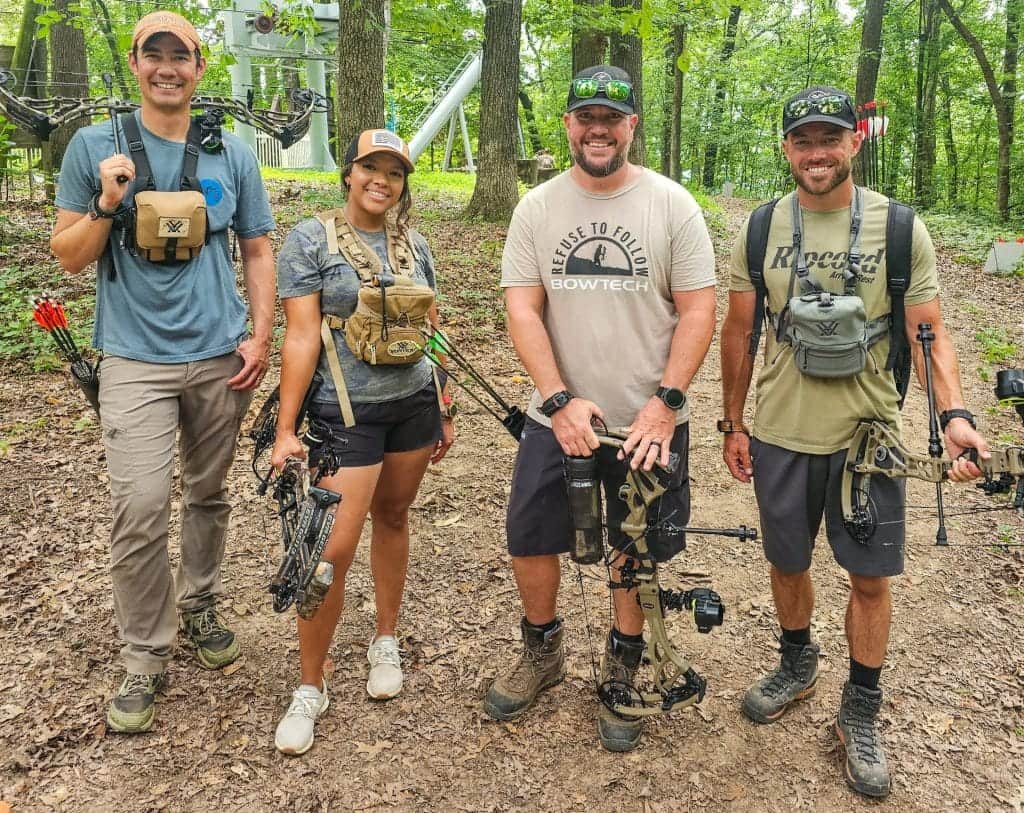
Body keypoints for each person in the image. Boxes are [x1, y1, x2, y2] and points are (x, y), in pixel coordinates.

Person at [719, 85, 988, 798]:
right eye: (802, 139)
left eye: (829, 138)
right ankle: (798, 660)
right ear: (785, 148)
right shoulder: (760, 228)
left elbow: (927, 333)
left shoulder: (900, 229)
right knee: (785, 560)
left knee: (870, 577)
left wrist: (951, 416)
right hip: (779, 431)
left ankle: (861, 705)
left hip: (869, 435)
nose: (816, 152)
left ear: (855, 142)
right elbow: (739, 331)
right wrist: (732, 420)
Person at [50, 11, 276, 734]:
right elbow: (68, 256)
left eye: (182, 55)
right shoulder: (95, 147)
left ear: (200, 66)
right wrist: (105, 202)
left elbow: (259, 247)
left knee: (208, 492)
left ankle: (201, 601)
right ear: (137, 62)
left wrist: (260, 334)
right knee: (141, 505)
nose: (168, 67)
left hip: (219, 354)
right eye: (156, 54)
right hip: (133, 361)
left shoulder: (230, 154)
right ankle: (145, 650)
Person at [485, 65, 717, 752]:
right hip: (555, 415)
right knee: (529, 537)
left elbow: (700, 308)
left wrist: (664, 405)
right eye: (586, 116)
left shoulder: (672, 205)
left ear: (630, 127)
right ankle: (542, 648)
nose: (598, 129)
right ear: (568, 125)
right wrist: (557, 399)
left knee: (633, 544)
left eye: (611, 119)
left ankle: (623, 659)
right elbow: (523, 306)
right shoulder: (538, 207)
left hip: (645, 419)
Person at [270, 129, 455, 756]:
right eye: (370, 168)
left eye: (394, 172)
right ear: (348, 173)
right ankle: (309, 686)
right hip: (343, 412)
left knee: (395, 516)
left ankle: (385, 639)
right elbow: (299, 337)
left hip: (412, 406)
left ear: (403, 184)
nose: (382, 180)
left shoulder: (414, 245)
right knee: (330, 546)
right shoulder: (311, 239)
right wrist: (285, 429)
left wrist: (445, 403)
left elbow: (434, 329)